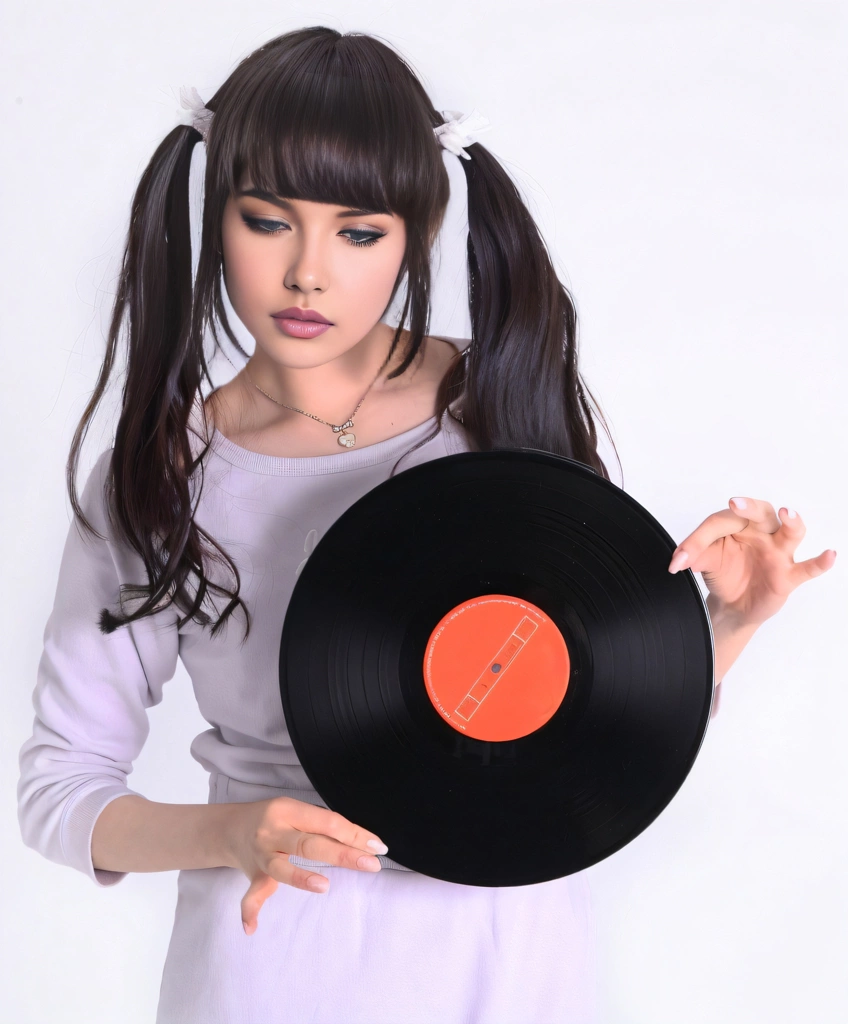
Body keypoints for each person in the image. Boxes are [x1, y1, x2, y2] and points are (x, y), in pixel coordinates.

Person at [16, 25, 836, 1024]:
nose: (308, 273)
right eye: (267, 220)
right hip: (274, 963)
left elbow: (587, 707)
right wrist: (230, 833)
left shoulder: (506, 399)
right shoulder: (156, 478)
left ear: (416, 228)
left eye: (358, 233)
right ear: (215, 214)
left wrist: (725, 623)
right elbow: (61, 790)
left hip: (508, 956)